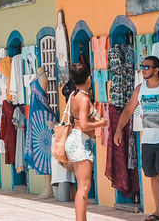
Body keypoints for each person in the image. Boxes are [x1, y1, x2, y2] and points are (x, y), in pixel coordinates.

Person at [117, 56, 159, 220]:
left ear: (156, 70)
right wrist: (118, 129)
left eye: (147, 67)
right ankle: (158, 211)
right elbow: (128, 110)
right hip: (148, 140)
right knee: (152, 174)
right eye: (142, 66)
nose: (143, 69)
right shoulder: (140, 89)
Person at [64, 61, 109, 221]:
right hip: (81, 143)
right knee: (84, 187)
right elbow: (83, 124)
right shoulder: (83, 98)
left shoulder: (74, 95)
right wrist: (101, 123)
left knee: (82, 186)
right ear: (88, 78)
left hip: (77, 141)